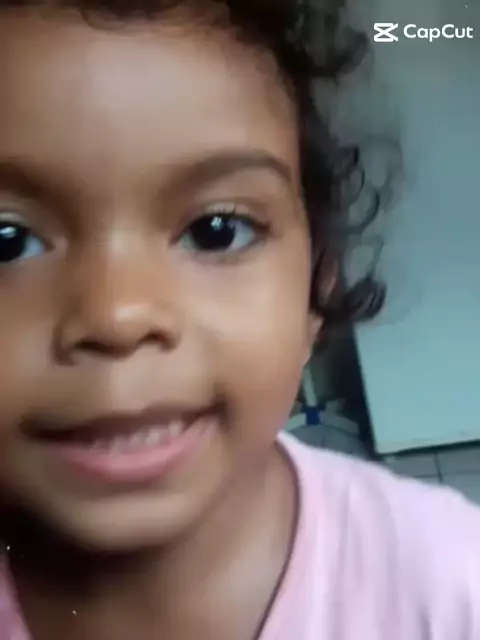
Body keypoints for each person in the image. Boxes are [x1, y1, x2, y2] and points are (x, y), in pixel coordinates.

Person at [0, 1, 479, 639]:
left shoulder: (450, 587)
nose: (118, 316)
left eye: (216, 230)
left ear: (316, 288)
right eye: (7, 242)